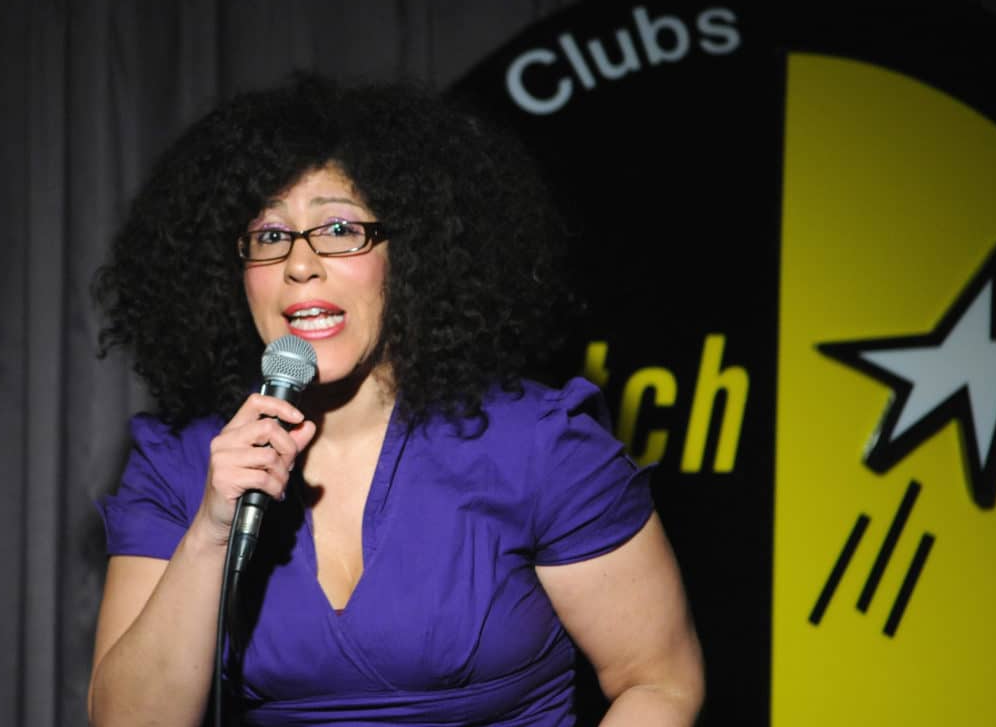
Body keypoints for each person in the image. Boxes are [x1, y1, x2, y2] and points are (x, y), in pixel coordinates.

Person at [87, 69, 704, 727]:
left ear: (411, 256)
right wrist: (211, 531)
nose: (300, 263)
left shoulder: (539, 446)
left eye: (339, 228)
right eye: (269, 236)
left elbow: (659, 681)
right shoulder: (183, 463)